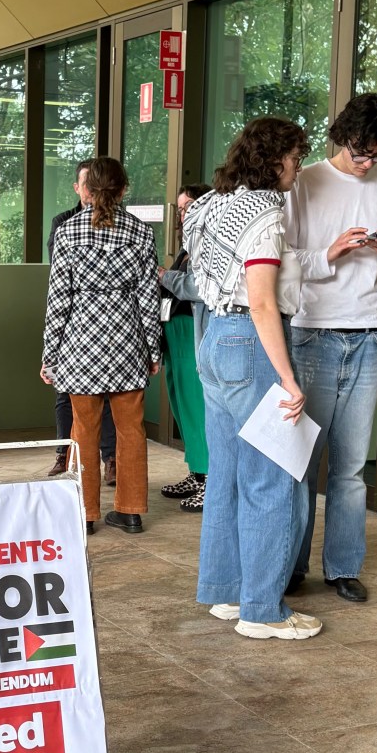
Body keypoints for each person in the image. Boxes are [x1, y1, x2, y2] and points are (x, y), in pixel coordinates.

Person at [184, 117, 321, 640]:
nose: (298, 167)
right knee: (271, 478)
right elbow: (262, 301)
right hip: (252, 343)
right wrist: (287, 377)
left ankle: (228, 592)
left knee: (226, 474)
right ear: (274, 159)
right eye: (295, 157)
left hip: (215, 339)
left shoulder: (213, 205)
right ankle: (263, 611)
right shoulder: (265, 213)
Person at [284, 94, 377, 602]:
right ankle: (292, 567)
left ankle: (342, 567)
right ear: (342, 138)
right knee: (301, 460)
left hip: (370, 331)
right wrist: (331, 251)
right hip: (313, 329)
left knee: (352, 465)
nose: (367, 164)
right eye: (361, 153)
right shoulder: (307, 181)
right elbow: (285, 259)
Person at [42, 156, 159, 535]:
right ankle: (130, 511)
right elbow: (148, 299)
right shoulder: (141, 232)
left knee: (84, 430)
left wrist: (50, 355)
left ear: (87, 190)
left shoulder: (68, 231)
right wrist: (152, 350)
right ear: (123, 189)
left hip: (80, 347)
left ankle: (86, 513)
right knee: (131, 430)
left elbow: (58, 300)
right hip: (128, 344)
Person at [45, 159, 116, 484]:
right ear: (78, 188)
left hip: (109, 332)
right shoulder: (64, 224)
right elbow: (58, 274)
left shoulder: (123, 225)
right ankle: (64, 454)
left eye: (97, 184)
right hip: (72, 328)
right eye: (87, 184)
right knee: (66, 396)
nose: (92, 190)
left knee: (111, 398)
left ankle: (110, 460)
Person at [159, 182, 212, 512]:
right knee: (181, 406)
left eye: (189, 206)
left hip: (195, 331)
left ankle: (210, 480)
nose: (183, 214)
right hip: (175, 332)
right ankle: (196, 471)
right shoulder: (187, 244)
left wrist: (165, 277)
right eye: (180, 209)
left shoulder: (211, 241)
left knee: (197, 406)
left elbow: (199, 288)